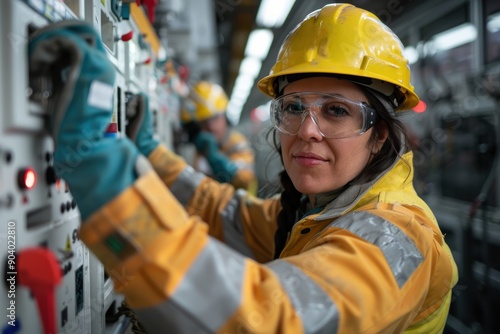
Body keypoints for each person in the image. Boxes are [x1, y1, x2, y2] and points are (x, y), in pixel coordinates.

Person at [30, 4, 458, 333]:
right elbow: (223, 211)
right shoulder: (315, 213)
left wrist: (102, 173)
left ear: (379, 134)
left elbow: (265, 319)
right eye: (293, 108)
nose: (308, 131)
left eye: (336, 111)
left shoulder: (397, 238)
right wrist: (149, 155)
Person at [181, 81, 258, 194]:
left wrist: (214, 157)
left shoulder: (237, 143)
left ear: (224, 116)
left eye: (215, 118)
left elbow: (244, 180)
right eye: (204, 122)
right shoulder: (197, 147)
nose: (211, 127)